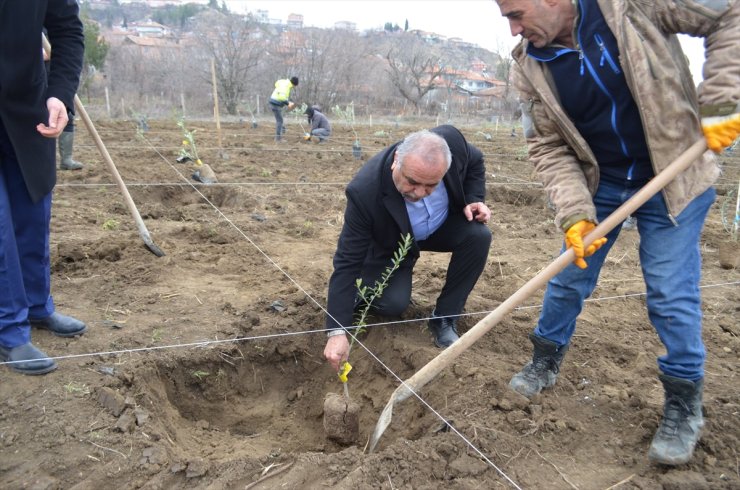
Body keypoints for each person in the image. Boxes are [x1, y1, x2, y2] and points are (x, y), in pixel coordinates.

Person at [495, 0, 739, 466]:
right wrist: (575, 215)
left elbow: (728, 13)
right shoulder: (529, 67)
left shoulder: (629, 7)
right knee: (568, 277)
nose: (513, 29)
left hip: (673, 176)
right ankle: (544, 360)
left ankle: (683, 404)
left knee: (670, 290)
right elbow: (547, 146)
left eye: (517, 14)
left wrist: (724, 94)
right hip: (602, 182)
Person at [323, 125, 492, 371]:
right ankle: (362, 294)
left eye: (431, 185)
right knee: (392, 304)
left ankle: (444, 319)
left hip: (440, 227)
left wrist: (475, 198)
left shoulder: (452, 144)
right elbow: (347, 261)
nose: (420, 193)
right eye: (412, 182)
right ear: (396, 162)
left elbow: (476, 160)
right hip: (394, 243)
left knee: (478, 236)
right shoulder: (364, 192)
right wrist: (337, 330)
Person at [0, 1, 88, 375]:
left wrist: (59, 93)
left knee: (33, 209)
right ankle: (10, 330)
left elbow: (68, 30)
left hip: (26, 105)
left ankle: (37, 306)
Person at [43, 46, 84, 170]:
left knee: (67, 115)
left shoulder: (51, 30)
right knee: (42, 118)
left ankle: (66, 160)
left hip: (57, 78)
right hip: (36, 78)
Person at [268, 76, 298, 142]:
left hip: (274, 102)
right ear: (294, 84)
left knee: (280, 120)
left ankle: (281, 132)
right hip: (275, 104)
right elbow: (282, 97)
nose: (293, 87)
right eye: (294, 86)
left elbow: (276, 84)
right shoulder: (286, 86)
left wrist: (288, 101)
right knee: (280, 121)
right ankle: (278, 139)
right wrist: (288, 103)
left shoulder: (283, 82)